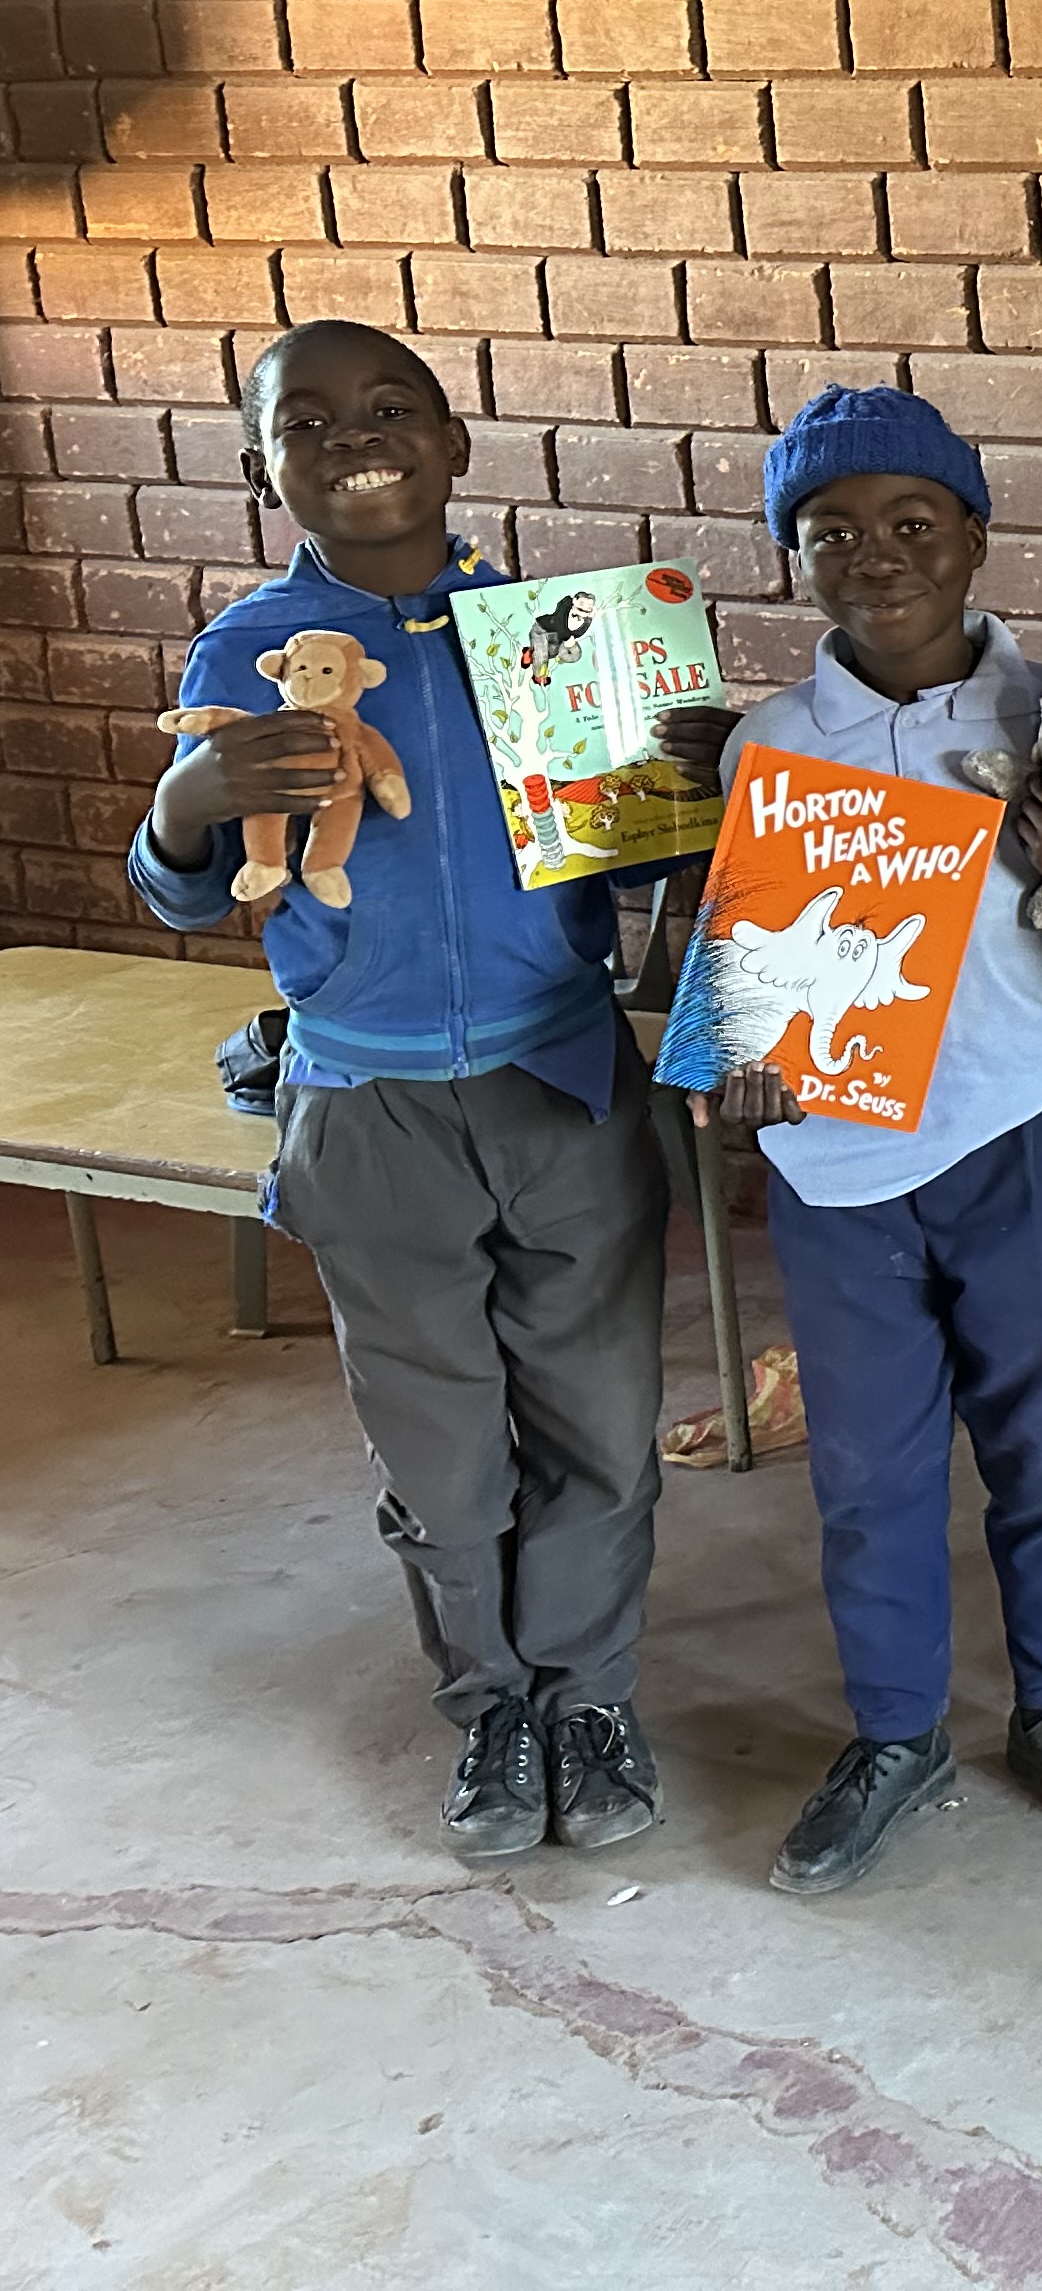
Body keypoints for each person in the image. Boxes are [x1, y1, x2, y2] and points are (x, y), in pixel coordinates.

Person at [130, 321, 690, 1859]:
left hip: (564, 1086)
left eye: (391, 408)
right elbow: (185, 892)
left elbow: (656, 864)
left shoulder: (552, 635)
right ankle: (492, 1706)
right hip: (367, 1111)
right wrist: (186, 803)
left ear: (455, 442)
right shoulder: (244, 653)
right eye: (306, 423)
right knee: (441, 1455)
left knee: (600, 1426)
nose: (354, 439)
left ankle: (589, 1697)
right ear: (262, 469)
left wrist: (688, 797)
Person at [668, 384, 1042, 1895]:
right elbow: (740, 954)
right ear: (793, 557)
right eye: (831, 533)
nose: (875, 555)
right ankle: (896, 1732)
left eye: (910, 523)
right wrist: (736, 1054)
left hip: (1024, 1129)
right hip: (839, 1168)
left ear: (975, 535)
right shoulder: (771, 741)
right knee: (870, 1472)